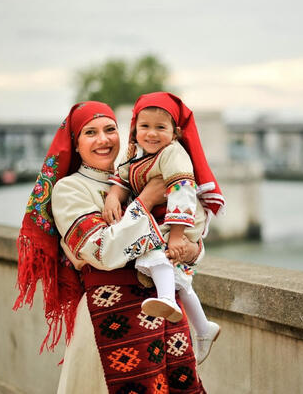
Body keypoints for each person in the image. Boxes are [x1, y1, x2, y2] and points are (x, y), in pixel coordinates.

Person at [14, 101, 207, 393]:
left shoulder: (134, 175)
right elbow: (104, 252)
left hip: (161, 324)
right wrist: (148, 199)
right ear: (75, 144)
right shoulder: (70, 189)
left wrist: (192, 250)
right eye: (90, 132)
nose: (103, 140)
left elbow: (182, 234)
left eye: (109, 130)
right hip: (108, 324)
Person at [104, 92, 223, 364]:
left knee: (149, 251)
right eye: (145, 126)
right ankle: (203, 328)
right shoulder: (137, 156)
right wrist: (112, 196)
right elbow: (121, 181)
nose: (152, 134)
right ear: (135, 129)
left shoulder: (172, 153)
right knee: (178, 275)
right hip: (164, 221)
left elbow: (183, 191)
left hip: (182, 221)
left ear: (176, 132)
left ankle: (167, 299)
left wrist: (178, 237)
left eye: (161, 127)